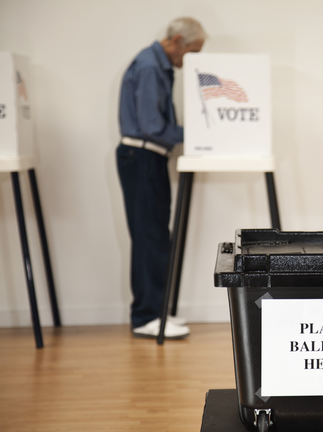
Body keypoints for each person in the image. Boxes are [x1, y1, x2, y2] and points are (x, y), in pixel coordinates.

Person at [116, 17, 206, 339]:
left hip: (147, 158)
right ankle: (145, 316)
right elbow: (153, 126)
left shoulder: (157, 65)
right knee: (149, 237)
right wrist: (200, 130)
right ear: (177, 40)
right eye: (192, 50)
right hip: (142, 157)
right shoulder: (151, 67)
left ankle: (157, 311)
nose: (191, 59)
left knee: (154, 235)